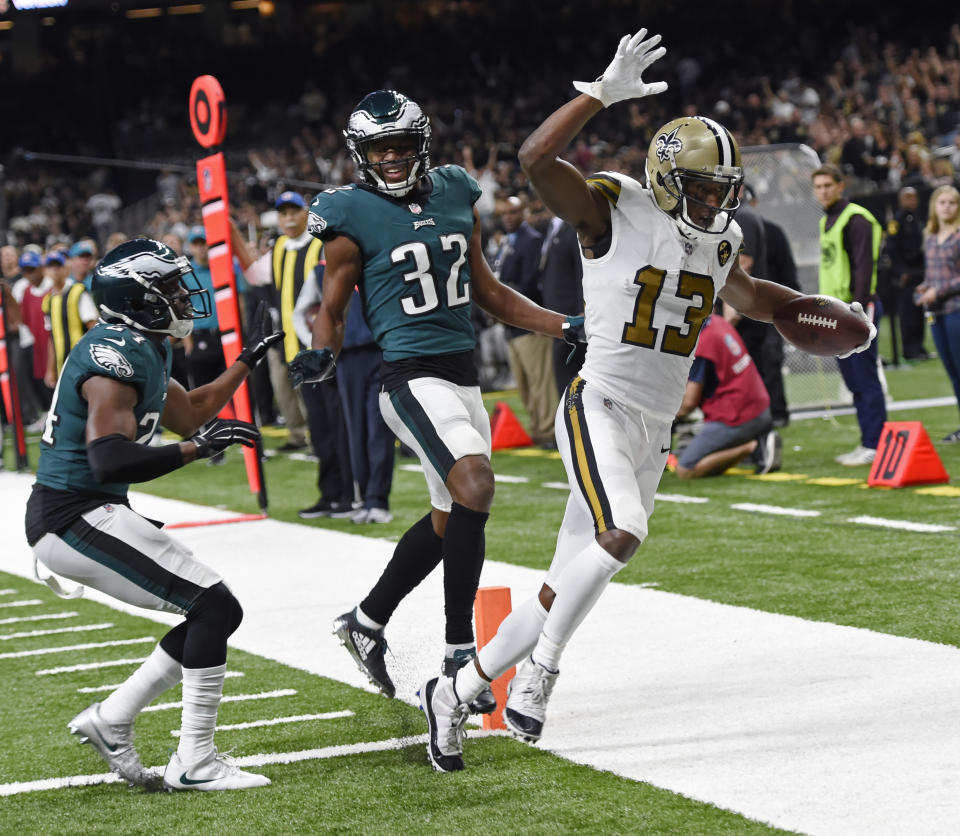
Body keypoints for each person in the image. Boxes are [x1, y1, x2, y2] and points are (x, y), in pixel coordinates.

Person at [420, 29, 875, 771]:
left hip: (654, 427)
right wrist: (598, 93)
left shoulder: (718, 239)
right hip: (597, 401)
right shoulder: (615, 209)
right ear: (666, 180)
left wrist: (830, 319)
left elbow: (753, 296)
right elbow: (536, 161)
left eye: (722, 190)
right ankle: (541, 676)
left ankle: (460, 689)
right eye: (701, 187)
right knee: (622, 531)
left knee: (561, 586)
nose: (714, 201)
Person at [287, 90, 585, 765]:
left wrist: (564, 323)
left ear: (421, 141)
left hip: (460, 378)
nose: (391, 158)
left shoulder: (454, 192)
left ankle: (366, 621)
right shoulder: (347, 215)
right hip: (407, 376)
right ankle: (458, 659)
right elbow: (330, 309)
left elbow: (489, 291)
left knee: (454, 515)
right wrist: (324, 353)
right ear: (361, 154)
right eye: (379, 149)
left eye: (399, 145)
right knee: (476, 483)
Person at [25, 238, 280, 792]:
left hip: (90, 511)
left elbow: (191, 413)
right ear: (137, 299)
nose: (182, 296)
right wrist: (201, 449)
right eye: (167, 288)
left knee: (215, 611)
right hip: (74, 514)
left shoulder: (143, 345)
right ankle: (195, 762)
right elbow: (110, 457)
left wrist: (246, 360)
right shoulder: (112, 356)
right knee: (213, 606)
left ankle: (114, 717)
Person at [295, 279, 394, 523]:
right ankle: (363, 498)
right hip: (347, 354)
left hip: (381, 348)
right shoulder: (322, 267)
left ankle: (377, 499)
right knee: (356, 430)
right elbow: (301, 312)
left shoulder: (374, 254)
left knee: (378, 427)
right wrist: (319, 347)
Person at [811, 163, 887, 465]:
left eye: (828, 185)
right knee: (853, 381)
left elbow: (863, 269)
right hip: (835, 312)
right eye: (818, 187)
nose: (823, 192)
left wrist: (859, 313)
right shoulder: (826, 220)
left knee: (865, 378)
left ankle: (875, 443)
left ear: (841, 185)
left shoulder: (856, 219)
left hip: (855, 310)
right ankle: (868, 439)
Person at [674, 313, 781, 478]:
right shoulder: (717, 322)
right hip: (760, 408)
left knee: (685, 469)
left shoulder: (701, 344)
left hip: (737, 417)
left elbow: (689, 403)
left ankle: (755, 447)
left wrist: (664, 416)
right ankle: (757, 440)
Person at [493, 195, 558, 447]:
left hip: (528, 321)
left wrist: (502, 301)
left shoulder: (530, 240)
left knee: (540, 380)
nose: (508, 217)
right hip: (511, 323)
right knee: (524, 383)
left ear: (523, 213)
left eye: (513, 212)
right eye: (504, 214)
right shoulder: (508, 242)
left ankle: (550, 430)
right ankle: (538, 428)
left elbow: (529, 282)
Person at [915, 185, 960, 442]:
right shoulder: (930, 236)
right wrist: (922, 289)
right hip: (936, 313)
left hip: (956, 310)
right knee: (952, 372)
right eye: (942, 202)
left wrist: (939, 291)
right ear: (934, 206)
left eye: (952, 203)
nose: (947, 207)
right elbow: (930, 276)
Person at [538, 213, 586, 400]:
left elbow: (581, 270)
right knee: (561, 378)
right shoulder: (551, 229)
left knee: (569, 375)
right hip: (556, 316)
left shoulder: (572, 227)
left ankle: (575, 422)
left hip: (572, 316)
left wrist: (583, 306)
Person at [41, 249, 98, 387]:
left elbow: (93, 328)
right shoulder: (48, 300)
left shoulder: (78, 292)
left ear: (66, 268)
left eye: (58, 266)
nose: (55, 270)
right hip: (63, 366)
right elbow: (51, 337)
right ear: (46, 271)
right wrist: (50, 369)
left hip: (83, 362)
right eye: (51, 266)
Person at [886, 186, 928, 360]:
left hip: (920, 273)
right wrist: (901, 272)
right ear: (901, 200)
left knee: (920, 311)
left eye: (914, 198)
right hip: (907, 275)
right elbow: (891, 250)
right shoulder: (896, 222)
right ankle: (909, 349)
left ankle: (919, 347)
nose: (911, 201)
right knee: (908, 313)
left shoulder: (918, 219)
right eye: (908, 198)